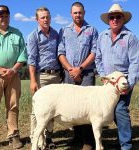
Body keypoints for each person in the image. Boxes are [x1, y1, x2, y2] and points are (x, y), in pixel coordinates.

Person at [95, 4, 139, 150]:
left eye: (118, 16)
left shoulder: (131, 37)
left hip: (123, 81)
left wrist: (130, 83)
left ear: (123, 19)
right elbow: (98, 58)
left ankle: (126, 145)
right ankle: (121, 139)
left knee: (120, 109)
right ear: (108, 20)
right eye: (111, 17)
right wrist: (103, 75)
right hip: (109, 82)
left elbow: (135, 62)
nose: (114, 19)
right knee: (109, 110)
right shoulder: (102, 36)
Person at [58, 2, 98, 150]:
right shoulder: (64, 30)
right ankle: (77, 138)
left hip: (86, 73)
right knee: (73, 106)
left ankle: (88, 141)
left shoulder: (92, 30)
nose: (77, 15)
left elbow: (94, 52)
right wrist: (71, 69)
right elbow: (60, 53)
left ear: (84, 12)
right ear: (71, 14)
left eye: (80, 12)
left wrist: (80, 69)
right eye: (75, 13)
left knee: (87, 108)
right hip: (69, 73)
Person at [0, 5, 27, 150]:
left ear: (9, 17)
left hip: (13, 75)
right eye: (1, 15)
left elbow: (23, 55)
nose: (4, 18)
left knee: (13, 106)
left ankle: (13, 136)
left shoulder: (17, 34)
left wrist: (13, 70)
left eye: (6, 15)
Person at [27, 7, 61, 149]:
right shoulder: (33, 36)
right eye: (42, 17)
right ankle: (35, 137)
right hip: (42, 76)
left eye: (47, 17)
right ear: (37, 19)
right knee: (37, 109)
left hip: (56, 76)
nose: (45, 19)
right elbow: (32, 59)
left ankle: (48, 137)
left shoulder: (55, 34)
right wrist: (33, 80)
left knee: (52, 108)